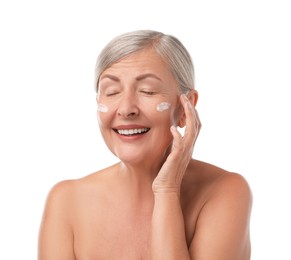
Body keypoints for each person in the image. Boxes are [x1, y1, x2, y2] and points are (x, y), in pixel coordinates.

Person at [38, 30, 252, 260]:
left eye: (147, 91)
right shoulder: (66, 201)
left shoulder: (225, 191)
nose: (126, 108)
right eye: (111, 92)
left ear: (185, 107)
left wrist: (167, 191)